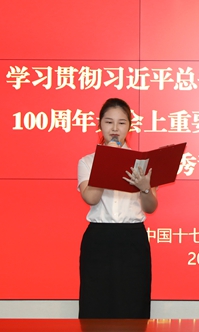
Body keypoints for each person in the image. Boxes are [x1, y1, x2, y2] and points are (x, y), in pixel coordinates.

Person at [77, 98, 157, 318]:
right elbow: (91, 198)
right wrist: (107, 162)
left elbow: (150, 207)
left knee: (133, 303)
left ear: (129, 127)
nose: (114, 128)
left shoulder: (142, 162)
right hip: (99, 238)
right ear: (100, 125)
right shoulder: (88, 162)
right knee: (96, 303)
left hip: (133, 238)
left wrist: (144, 188)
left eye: (121, 123)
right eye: (108, 122)